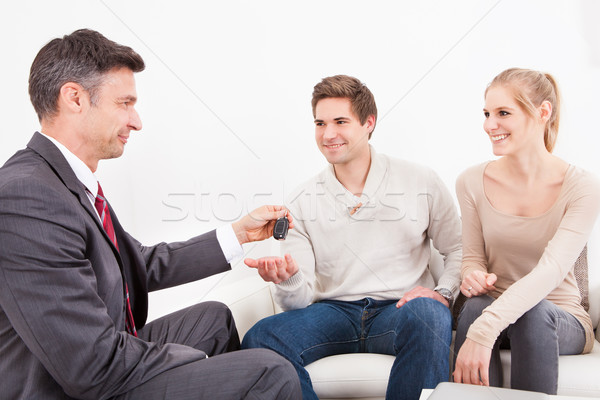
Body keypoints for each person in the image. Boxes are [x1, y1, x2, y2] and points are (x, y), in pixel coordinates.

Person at [0, 29, 301, 400]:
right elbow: (91, 367)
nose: (136, 121)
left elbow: (135, 262)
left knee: (213, 318)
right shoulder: (26, 196)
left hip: (101, 357)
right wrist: (195, 361)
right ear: (75, 98)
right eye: (124, 103)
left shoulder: (67, 181)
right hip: (73, 385)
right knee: (269, 374)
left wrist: (238, 233)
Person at [241, 75, 463, 400]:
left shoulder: (421, 180)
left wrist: (443, 293)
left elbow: (458, 248)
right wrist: (288, 280)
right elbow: (297, 301)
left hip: (398, 309)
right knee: (261, 337)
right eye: (320, 123)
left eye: (340, 121)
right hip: (333, 313)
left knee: (430, 314)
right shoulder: (302, 199)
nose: (328, 134)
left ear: (368, 123)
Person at [452, 68, 600, 394]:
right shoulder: (471, 181)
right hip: (494, 309)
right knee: (475, 306)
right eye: (487, 113)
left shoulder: (583, 186)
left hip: (557, 317)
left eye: (504, 113)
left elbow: (552, 271)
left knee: (531, 314)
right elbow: (474, 257)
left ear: (543, 112)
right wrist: (473, 273)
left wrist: (484, 329)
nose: (490, 125)